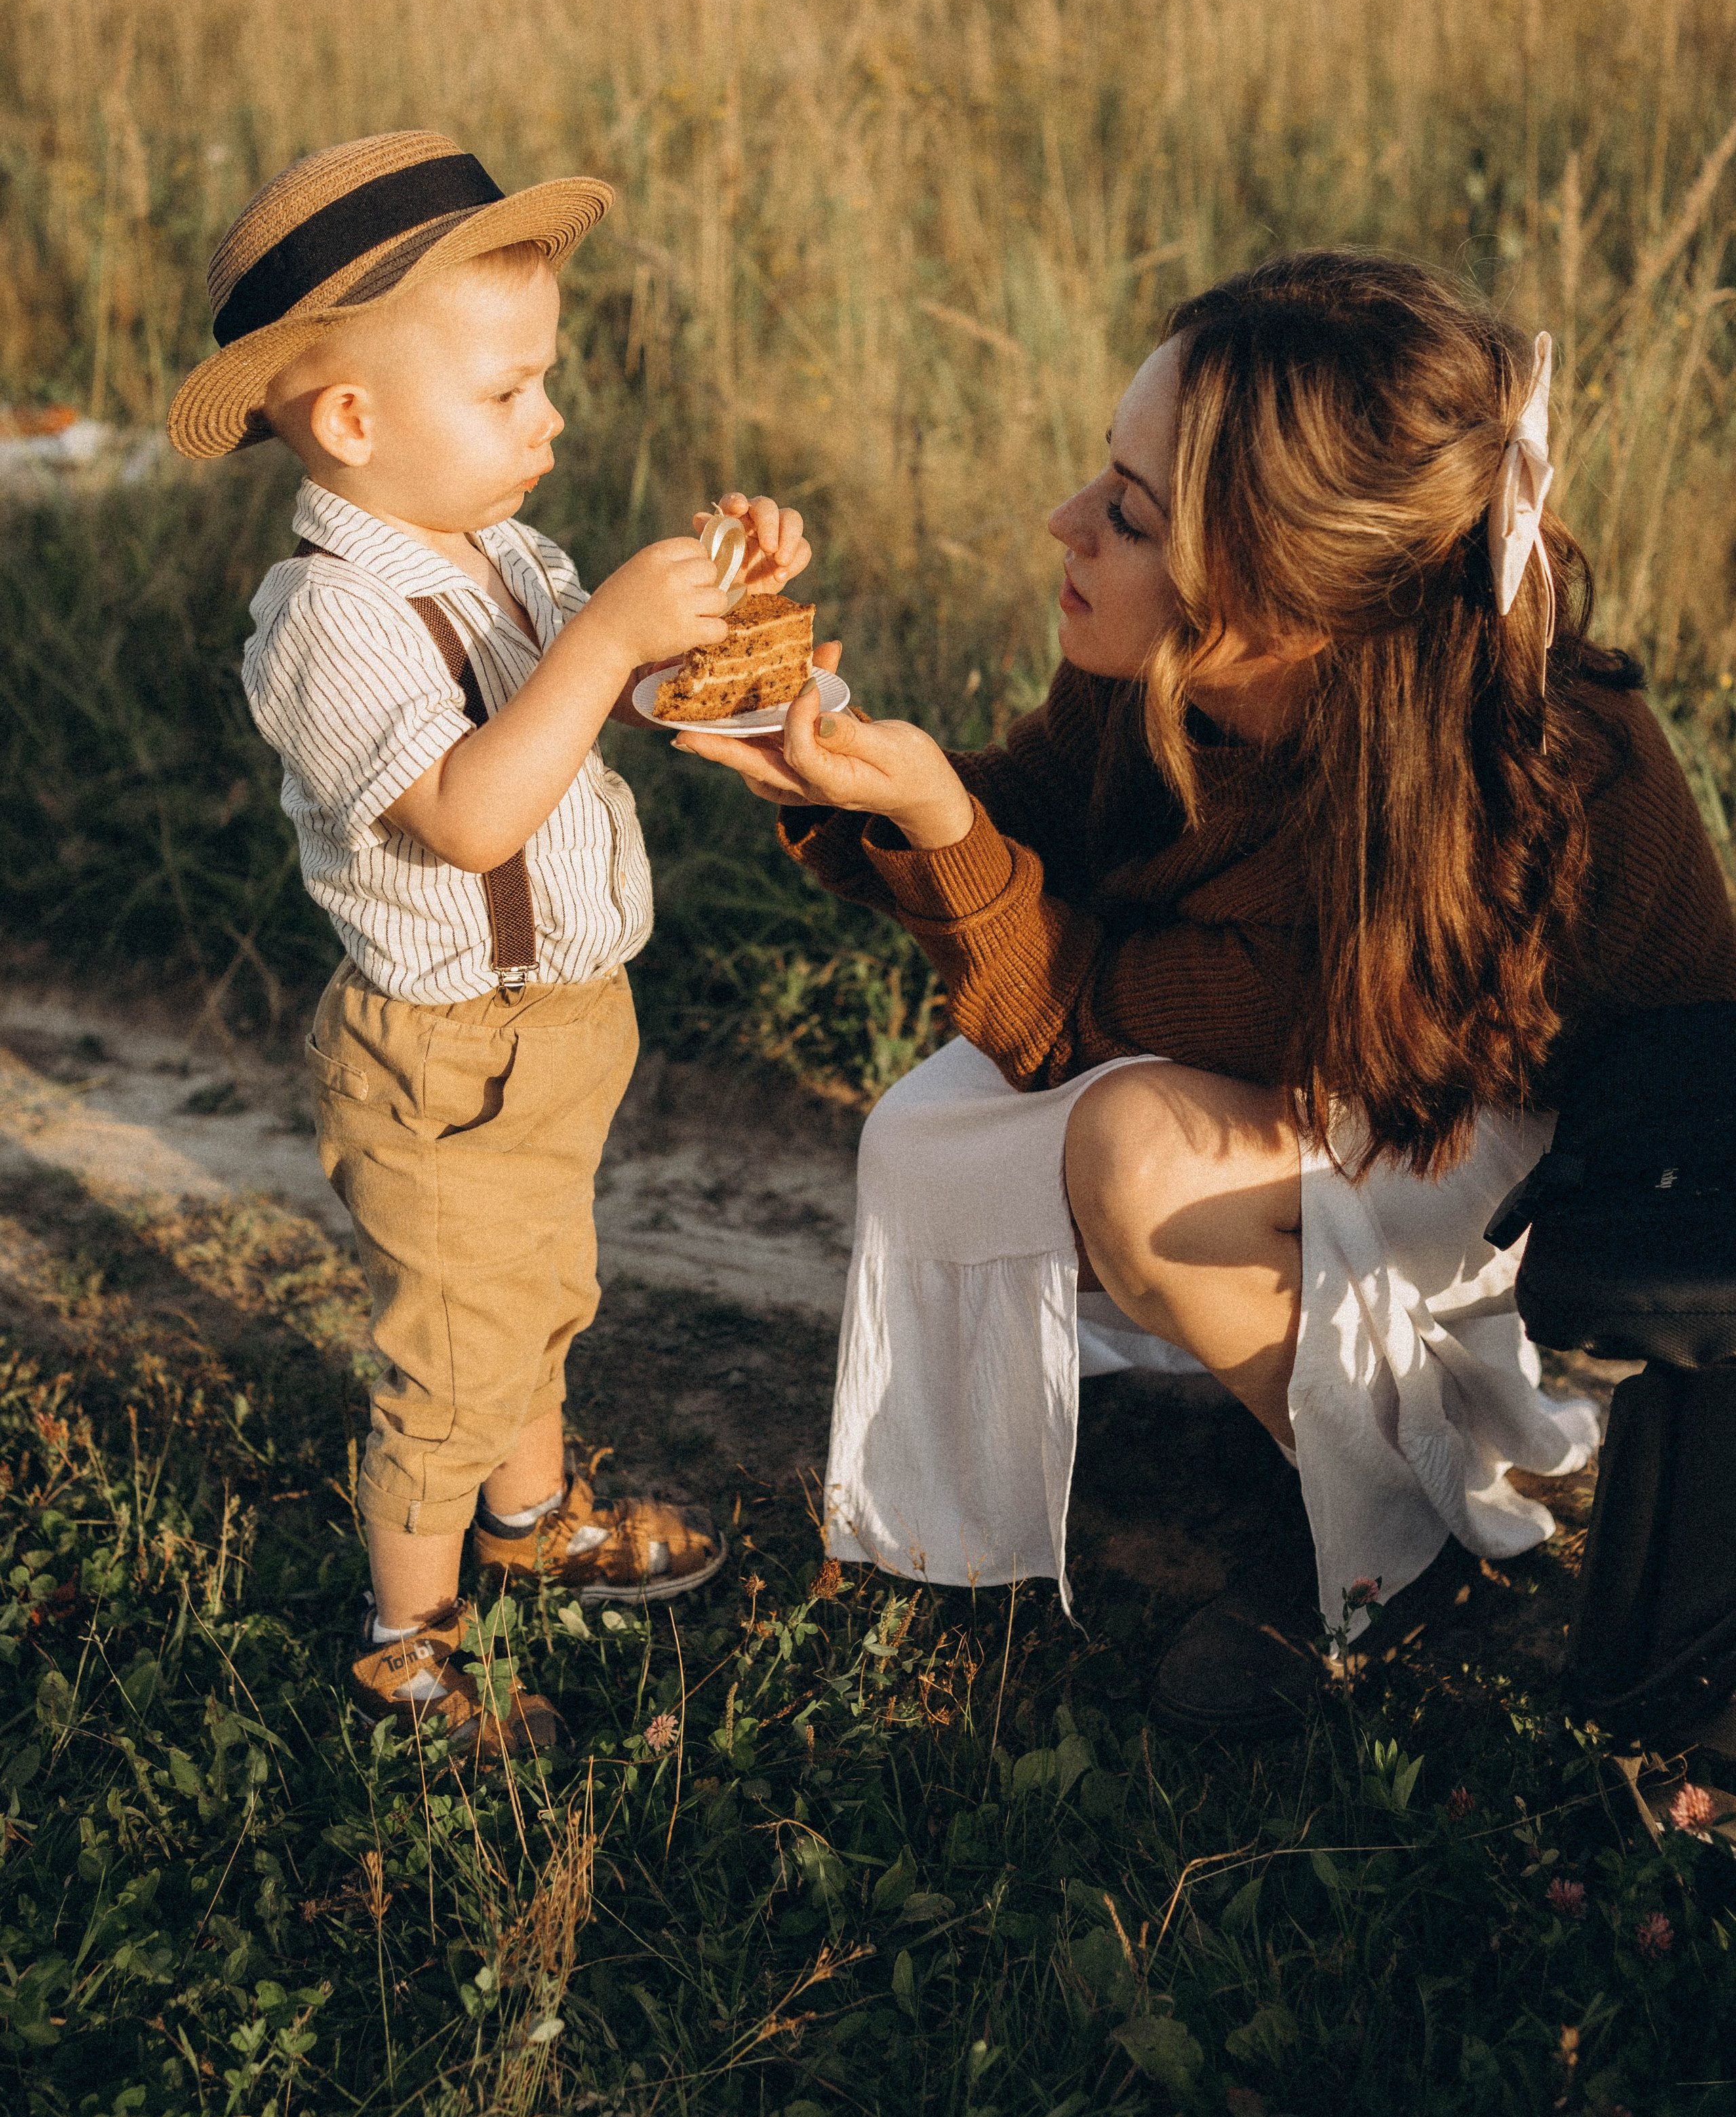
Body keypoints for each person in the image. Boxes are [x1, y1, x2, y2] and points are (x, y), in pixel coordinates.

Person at [677, 250, 1736, 1734]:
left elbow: (1075, 1022)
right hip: (1361, 1064)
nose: (1065, 523)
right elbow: (1032, 818)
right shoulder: (1177, 671)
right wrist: (859, 763)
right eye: (1097, 480)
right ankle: (1303, 1394)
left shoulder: (1443, 832)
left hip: (1565, 1131)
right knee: (947, 1137)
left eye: (1126, 513)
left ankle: (1395, 1546)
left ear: (1286, 594)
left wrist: (930, 824)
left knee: (1123, 1159)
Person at [168, 129, 810, 1755]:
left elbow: (624, 706)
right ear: (353, 423)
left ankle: (532, 1528)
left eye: (544, 384)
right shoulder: (324, 619)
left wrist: (708, 614)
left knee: (536, 1295)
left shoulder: (513, 559)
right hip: (443, 1055)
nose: (551, 420)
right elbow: (465, 811)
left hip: (565, 1022)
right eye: (509, 393)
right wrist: (601, 639)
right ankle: (406, 1645)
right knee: (449, 1358)